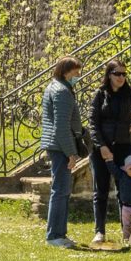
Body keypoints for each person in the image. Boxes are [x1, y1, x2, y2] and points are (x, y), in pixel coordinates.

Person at [85, 62, 131, 247]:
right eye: (117, 73)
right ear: (109, 74)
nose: (121, 77)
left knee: (124, 189)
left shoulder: (130, 93)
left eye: (124, 74)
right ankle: (99, 231)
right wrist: (101, 146)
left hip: (123, 147)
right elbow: (92, 123)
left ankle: (126, 231)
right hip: (101, 148)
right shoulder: (100, 94)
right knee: (100, 190)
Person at [38, 57, 85, 249]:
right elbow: (61, 127)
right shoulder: (63, 92)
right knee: (61, 191)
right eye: (76, 72)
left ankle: (59, 233)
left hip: (55, 145)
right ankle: (55, 235)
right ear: (66, 72)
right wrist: (71, 153)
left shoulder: (54, 87)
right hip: (60, 147)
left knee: (62, 190)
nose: (78, 75)